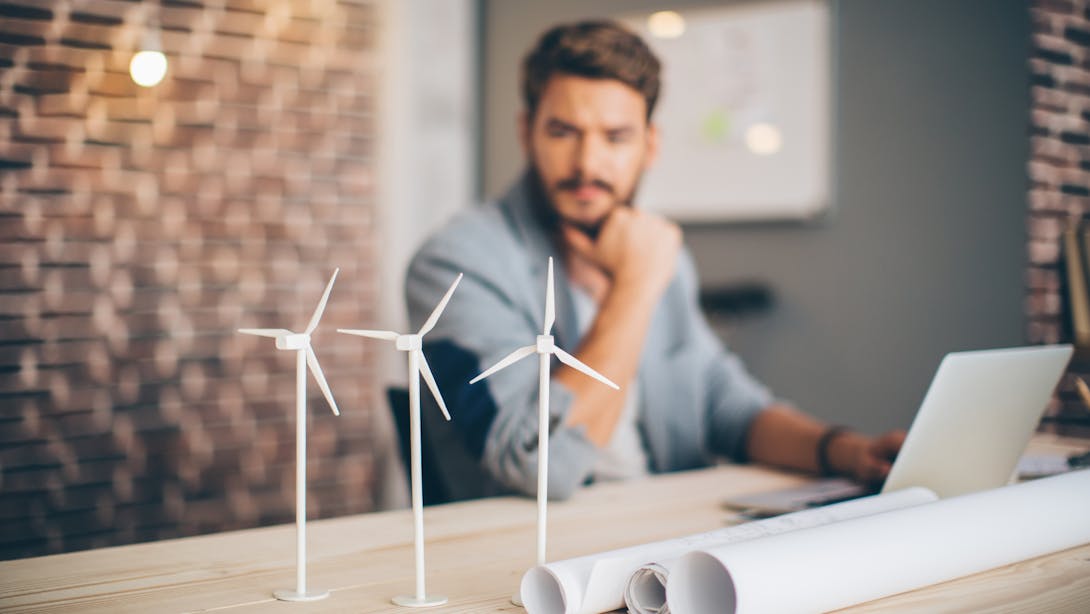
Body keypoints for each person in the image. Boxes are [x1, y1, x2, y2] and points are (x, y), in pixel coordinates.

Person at [404, 20, 904, 502]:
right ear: (526, 133)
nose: (587, 163)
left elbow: (725, 405)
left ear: (650, 144)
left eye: (616, 137)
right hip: (529, 562)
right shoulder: (456, 264)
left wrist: (847, 451)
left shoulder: (654, 250)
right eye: (562, 131)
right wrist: (635, 287)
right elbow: (541, 463)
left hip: (659, 534)